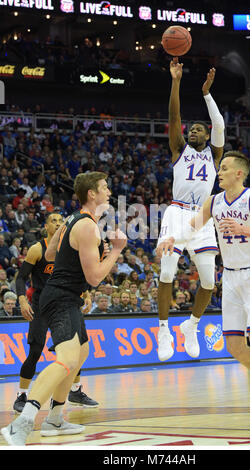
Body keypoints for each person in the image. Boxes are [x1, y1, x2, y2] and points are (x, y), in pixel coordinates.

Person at [157, 151, 250, 432]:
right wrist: (174, 238)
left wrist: (244, 229)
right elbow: (192, 227)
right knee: (234, 346)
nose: (218, 172)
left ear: (239, 173)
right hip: (232, 276)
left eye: (223, 168)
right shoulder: (213, 202)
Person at [1, 171, 127, 445]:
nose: (109, 192)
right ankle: (20, 424)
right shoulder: (87, 226)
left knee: (81, 353)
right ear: (92, 194)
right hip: (61, 297)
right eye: (105, 188)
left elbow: (49, 255)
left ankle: (55, 418)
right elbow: (94, 278)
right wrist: (116, 251)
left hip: (64, 295)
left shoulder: (72, 219)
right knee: (66, 359)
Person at [157, 58, 225, 361]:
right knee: (168, 271)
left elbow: (220, 124)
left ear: (207, 136)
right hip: (177, 211)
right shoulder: (179, 149)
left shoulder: (215, 155)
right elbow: (174, 116)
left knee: (209, 282)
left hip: (203, 217)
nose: (194, 131)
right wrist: (175, 81)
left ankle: (191, 326)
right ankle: (163, 329)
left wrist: (207, 93)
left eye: (200, 129)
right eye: (192, 129)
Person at [13, 212, 98, 414]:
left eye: (61, 221)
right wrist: (22, 299)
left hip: (65, 302)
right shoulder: (37, 249)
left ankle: (75, 390)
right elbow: (20, 278)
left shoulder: (70, 249)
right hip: (41, 304)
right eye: (54, 220)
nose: (59, 223)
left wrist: (86, 294)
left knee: (76, 348)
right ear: (46, 226)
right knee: (35, 350)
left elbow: (78, 275)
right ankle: (22, 394)